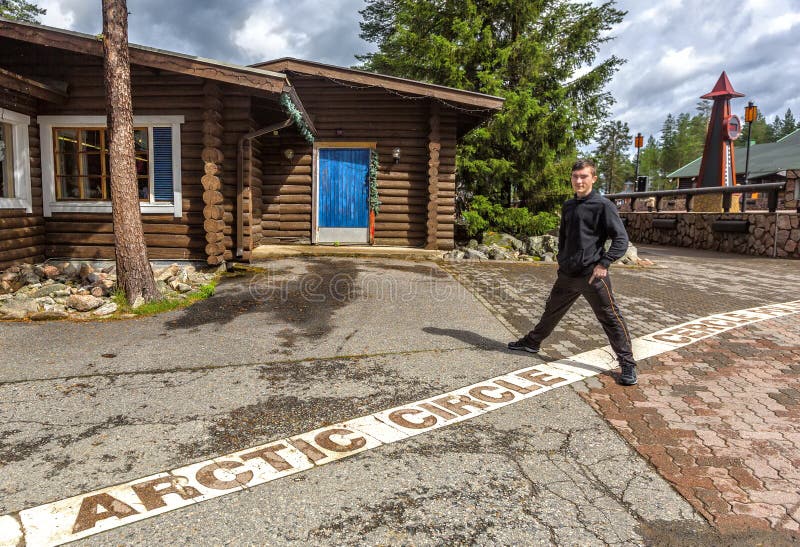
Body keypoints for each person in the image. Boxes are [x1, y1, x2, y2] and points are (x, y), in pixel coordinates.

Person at [508, 159, 638, 386]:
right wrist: (562, 260)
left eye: (584, 176)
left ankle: (627, 364)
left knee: (610, 318)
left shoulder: (603, 206)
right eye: (575, 177)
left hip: (592, 275)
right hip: (567, 273)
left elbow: (621, 239)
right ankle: (532, 342)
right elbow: (565, 237)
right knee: (552, 310)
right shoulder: (569, 206)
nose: (579, 181)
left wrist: (604, 263)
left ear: (593, 178)